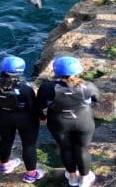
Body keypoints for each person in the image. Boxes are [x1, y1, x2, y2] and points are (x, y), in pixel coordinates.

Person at [37, 56, 99, 187]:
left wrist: (42, 117)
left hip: (59, 122)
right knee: (82, 148)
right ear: (78, 71)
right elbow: (95, 100)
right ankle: (84, 179)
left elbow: (41, 105)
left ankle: (72, 177)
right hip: (83, 120)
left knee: (66, 148)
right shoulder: (88, 86)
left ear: (56, 71)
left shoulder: (47, 87)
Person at [0, 56, 44, 183]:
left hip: (3, 117)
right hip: (25, 119)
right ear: (20, 72)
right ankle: (31, 175)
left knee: (5, 141)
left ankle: (5, 166)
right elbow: (33, 107)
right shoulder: (25, 89)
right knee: (28, 145)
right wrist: (43, 117)